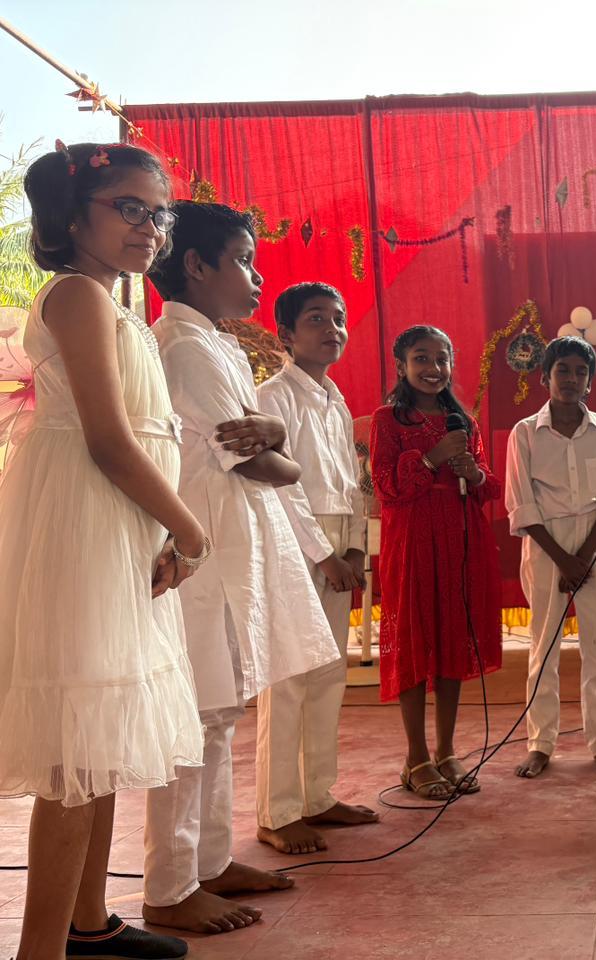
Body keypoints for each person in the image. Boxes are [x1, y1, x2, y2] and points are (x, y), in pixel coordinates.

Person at [0, 142, 199, 960]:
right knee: (74, 753)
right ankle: (40, 950)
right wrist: (190, 529)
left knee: (105, 733)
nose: (150, 227)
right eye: (129, 208)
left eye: (158, 213)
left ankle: (89, 923)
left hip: (117, 527)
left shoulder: (116, 303)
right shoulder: (79, 295)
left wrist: (161, 527)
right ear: (73, 217)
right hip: (86, 526)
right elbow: (111, 443)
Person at [144, 202, 337, 934]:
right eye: (243, 260)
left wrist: (277, 434)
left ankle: (211, 861)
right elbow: (260, 463)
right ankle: (169, 887)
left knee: (219, 715)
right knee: (195, 719)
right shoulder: (184, 347)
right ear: (196, 265)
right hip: (203, 556)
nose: (256, 276)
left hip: (231, 552)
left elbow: (263, 444)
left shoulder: (216, 343)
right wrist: (284, 447)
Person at [254, 282, 380, 854]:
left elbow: (351, 483)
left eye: (338, 318)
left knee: (328, 673)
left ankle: (316, 796)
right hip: (292, 542)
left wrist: (353, 548)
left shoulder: (335, 399)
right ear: (285, 334)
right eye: (315, 319)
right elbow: (280, 486)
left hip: (336, 544)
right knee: (289, 677)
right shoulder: (273, 396)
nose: (332, 329)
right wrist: (322, 554)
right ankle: (277, 812)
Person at [371, 325, 502, 799]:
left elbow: (489, 486)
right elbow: (386, 487)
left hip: (460, 543)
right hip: (412, 543)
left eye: (442, 359)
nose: (433, 368)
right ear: (402, 366)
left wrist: (474, 473)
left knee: (452, 643)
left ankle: (446, 752)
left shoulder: (462, 422)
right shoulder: (388, 420)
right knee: (414, 644)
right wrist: (431, 459)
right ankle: (416, 757)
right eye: (422, 358)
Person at [505, 336, 596, 779]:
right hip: (546, 546)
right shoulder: (524, 433)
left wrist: (585, 556)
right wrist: (564, 559)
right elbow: (522, 505)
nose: (572, 379)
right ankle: (540, 743)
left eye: (581, 371)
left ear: (590, 382)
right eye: (563, 370)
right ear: (545, 377)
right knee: (544, 646)